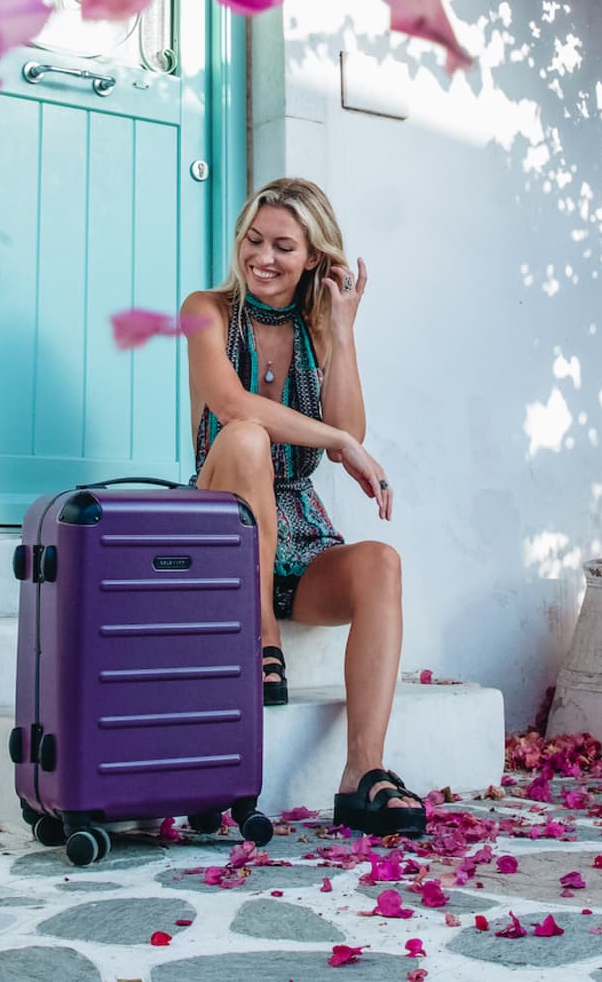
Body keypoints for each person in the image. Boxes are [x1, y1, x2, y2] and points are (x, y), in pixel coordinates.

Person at [181, 178, 425, 838]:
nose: (262, 256)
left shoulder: (318, 326)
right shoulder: (205, 310)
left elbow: (353, 428)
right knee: (248, 436)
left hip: (302, 536)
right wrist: (339, 442)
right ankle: (258, 634)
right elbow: (234, 409)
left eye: (283, 246)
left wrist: (342, 332)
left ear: (313, 256)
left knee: (380, 563)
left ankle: (362, 773)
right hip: (223, 527)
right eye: (253, 240)